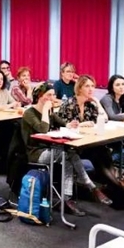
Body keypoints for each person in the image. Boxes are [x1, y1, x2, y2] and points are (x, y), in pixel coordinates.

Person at [22, 82, 111, 215]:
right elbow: (43, 128)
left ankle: (66, 200)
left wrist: (73, 125)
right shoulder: (29, 113)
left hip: (51, 149)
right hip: (36, 153)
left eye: (53, 95)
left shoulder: (51, 112)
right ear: (40, 96)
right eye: (49, 95)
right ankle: (90, 186)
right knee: (68, 153)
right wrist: (46, 110)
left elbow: (64, 123)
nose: (52, 98)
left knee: (68, 158)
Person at [58, 75, 122, 200]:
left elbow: (105, 119)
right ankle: (117, 188)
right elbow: (63, 127)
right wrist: (82, 125)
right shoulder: (69, 104)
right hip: (72, 146)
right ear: (79, 88)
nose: (91, 89)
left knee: (103, 152)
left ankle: (114, 187)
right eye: (87, 86)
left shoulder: (90, 105)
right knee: (98, 155)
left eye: (93, 86)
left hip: (87, 143)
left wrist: (97, 102)